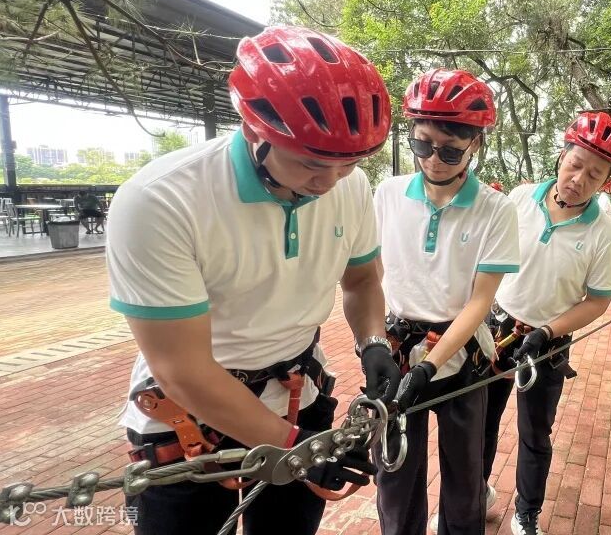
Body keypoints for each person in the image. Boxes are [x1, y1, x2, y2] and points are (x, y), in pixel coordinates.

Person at [106, 26, 396, 535]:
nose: (330, 182)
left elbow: (361, 282)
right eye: (311, 163)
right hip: (189, 421)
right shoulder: (161, 200)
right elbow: (182, 369)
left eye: (349, 164)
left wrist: (373, 343)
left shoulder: (347, 187)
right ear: (253, 129)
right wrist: (296, 449)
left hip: (297, 398)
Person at [373, 67, 520, 535]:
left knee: (463, 479)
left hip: (461, 355)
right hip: (399, 349)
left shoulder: (495, 209)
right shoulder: (388, 194)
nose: (434, 160)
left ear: (475, 144)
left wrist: (430, 367)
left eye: (451, 150)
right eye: (422, 145)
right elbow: (371, 278)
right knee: (395, 477)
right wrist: (373, 344)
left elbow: (480, 301)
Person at [482, 111, 611, 535]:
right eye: (575, 164)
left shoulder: (604, 234)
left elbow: (598, 301)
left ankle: (526, 512)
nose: (579, 179)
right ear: (562, 156)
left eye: (595, 174)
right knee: (481, 423)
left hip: (546, 343)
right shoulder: (519, 199)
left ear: (607, 181)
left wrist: (548, 331)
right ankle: (475, 493)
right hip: (495, 330)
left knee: (535, 433)